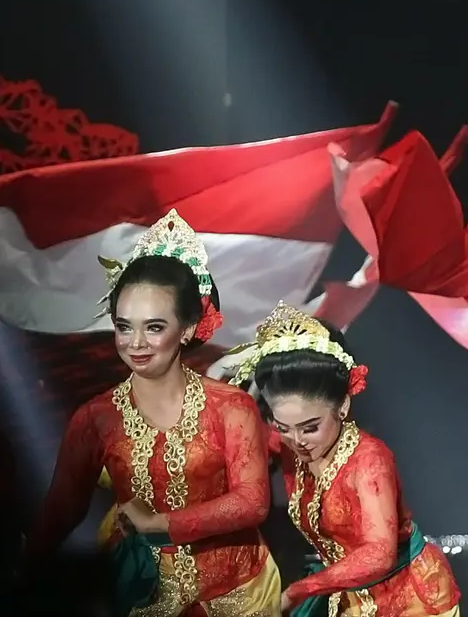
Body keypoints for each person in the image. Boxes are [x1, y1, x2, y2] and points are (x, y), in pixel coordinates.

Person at [22, 209, 280, 616]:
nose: (135, 343)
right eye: (124, 326)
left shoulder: (231, 407)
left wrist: (158, 524)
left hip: (241, 596)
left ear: (188, 328)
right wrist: (21, 569)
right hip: (143, 596)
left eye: (154, 327)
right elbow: (62, 512)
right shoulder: (96, 418)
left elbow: (253, 503)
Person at [229, 301, 461, 616]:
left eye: (310, 427)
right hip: (349, 596)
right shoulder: (289, 445)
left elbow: (379, 553)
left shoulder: (368, 462)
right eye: (283, 427)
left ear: (342, 406)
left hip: (409, 598)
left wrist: (300, 590)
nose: (297, 440)